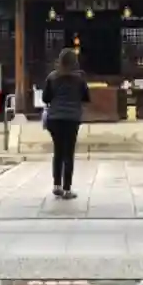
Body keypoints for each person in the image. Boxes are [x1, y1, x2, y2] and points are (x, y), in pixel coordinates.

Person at [41, 47, 89, 200]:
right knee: (69, 153)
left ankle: (57, 185)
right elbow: (86, 97)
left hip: (55, 118)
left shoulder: (52, 77)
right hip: (72, 118)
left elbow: (45, 98)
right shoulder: (79, 79)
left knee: (58, 151)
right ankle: (67, 188)